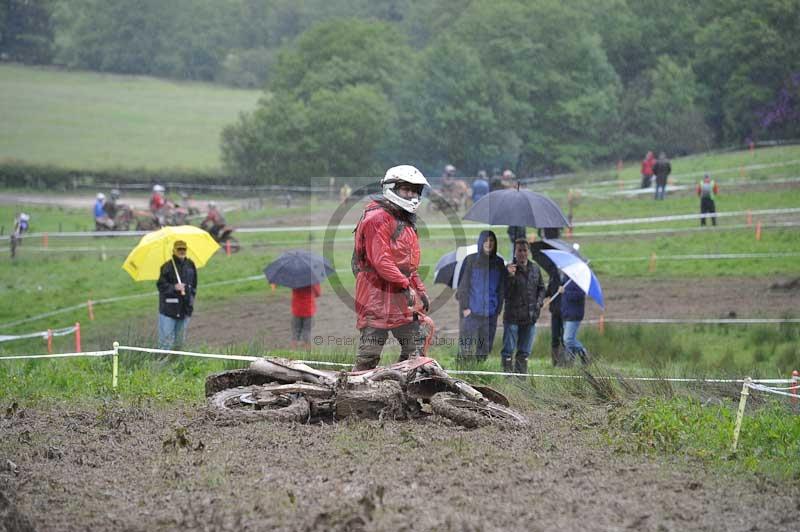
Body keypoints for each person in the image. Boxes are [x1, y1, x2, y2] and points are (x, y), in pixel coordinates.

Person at [352, 165, 430, 371]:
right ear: (392, 188)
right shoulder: (377, 218)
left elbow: (408, 265)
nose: (412, 195)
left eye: (415, 190)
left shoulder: (404, 219)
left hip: (399, 294)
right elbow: (381, 260)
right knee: (370, 353)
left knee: (416, 346)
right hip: (375, 294)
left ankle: (403, 387)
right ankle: (354, 393)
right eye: (407, 189)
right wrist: (406, 285)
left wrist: (419, 289)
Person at [456, 230, 505, 363]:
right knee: (465, 347)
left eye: (492, 241)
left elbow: (502, 288)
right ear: (481, 242)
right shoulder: (470, 260)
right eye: (486, 240)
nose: (489, 243)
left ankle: (479, 372)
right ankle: (462, 372)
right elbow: (463, 286)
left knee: (484, 349)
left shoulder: (499, 263)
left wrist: (497, 309)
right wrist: (465, 308)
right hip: (471, 312)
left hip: (490, 314)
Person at [501, 239, 545, 374]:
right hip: (512, 317)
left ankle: (521, 381)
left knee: (524, 352)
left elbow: (542, 288)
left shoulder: (535, 269)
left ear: (528, 252)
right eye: (519, 250)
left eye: (524, 250)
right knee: (508, 351)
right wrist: (510, 277)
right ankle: (508, 380)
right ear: (515, 252)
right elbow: (505, 293)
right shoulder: (509, 269)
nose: (522, 253)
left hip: (530, 316)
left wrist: (539, 303)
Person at [156, 240, 197, 350]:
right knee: (166, 342)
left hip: (185, 310)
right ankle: (164, 364)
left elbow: (194, 286)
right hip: (169, 310)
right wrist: (174, 287)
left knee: (180, 343)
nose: (182, 251)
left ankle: (178, 364)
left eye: (184, 249)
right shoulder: (167, 267)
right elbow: (161, 286)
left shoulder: (191, 265)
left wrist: (191, 302)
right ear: (174, 250)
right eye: (179, 249)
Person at [561, 277, 589, 366]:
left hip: (575, 314)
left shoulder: (580, 281)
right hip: (566, 313)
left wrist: (565, 292)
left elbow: (580, 295)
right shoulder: (566, 278)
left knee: (568, 339)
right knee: (569, 341)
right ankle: (569, 363)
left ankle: (582, 351)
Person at [291, 283, 321, 349]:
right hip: (308, 310)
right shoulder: (313, 279)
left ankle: (293, 349)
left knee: (296, 331)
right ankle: (307, 349)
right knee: (307, 330)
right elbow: (318, 293)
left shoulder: (294, 278)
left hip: (297, 310)